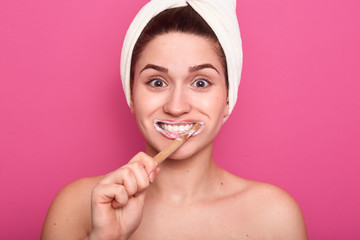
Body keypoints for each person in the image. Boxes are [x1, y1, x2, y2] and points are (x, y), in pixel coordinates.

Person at [42, 1, 308, 239]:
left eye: (201, 82)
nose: (176, 107)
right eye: (157, 82)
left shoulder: (275, 216)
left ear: (229, 99)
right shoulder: (78, 206)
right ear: (131, 95)